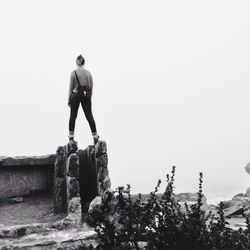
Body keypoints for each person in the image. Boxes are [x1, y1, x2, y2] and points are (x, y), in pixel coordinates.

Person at [68, 55, 99, 143]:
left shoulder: (73, 73)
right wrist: (90, 98)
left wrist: (69, 99)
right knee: (89, 116)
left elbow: (70, 88)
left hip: (76, 95)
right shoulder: (88, 73)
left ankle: (71, 137)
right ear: (84, 62)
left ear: (76, 62)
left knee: (73, 116)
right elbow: (91, 87)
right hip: (86, 96)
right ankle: (95, 136)